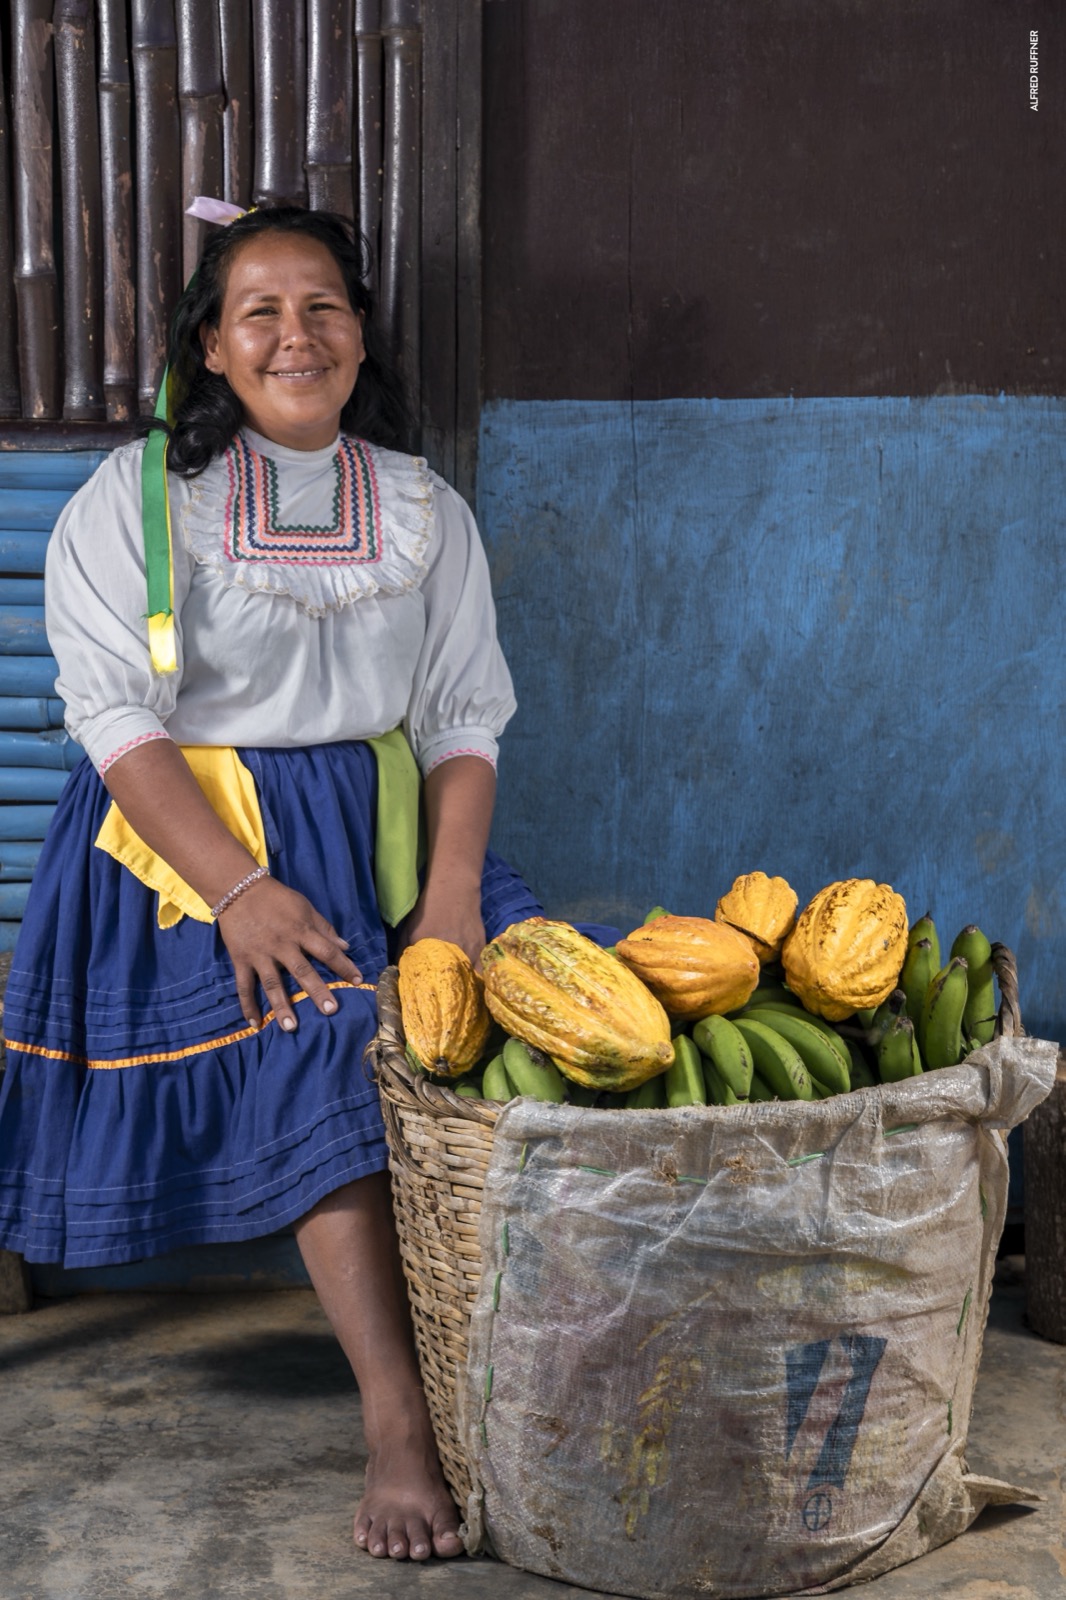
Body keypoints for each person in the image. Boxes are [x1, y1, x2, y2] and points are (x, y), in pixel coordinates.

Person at [0, 205, 565, 1562]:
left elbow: (462, 723)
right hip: (187, 846)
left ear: (362, 336)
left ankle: (533, 1359)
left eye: (322, 308)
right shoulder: (137, 501)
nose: (293, 336)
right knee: (328, 1050)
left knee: (544, 991)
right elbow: (118, 724)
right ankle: (398, 1427)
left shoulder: (423, 511)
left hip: (381, 832)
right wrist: (243, 889)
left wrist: (446, 900)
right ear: (210, 344)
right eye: (258, 311)